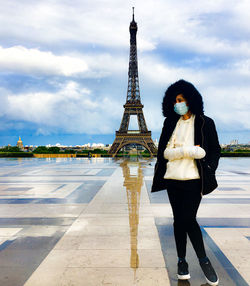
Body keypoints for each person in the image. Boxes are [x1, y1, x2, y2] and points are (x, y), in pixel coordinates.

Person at [151, 79, 221, 286]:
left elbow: (215, 150)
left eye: (180, 100)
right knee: (178, 220)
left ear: (190, 101)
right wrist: (188, 151)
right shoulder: (170, 123)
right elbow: (163, 152)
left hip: (193, 180)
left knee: (188, 219)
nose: (176, 104)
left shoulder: (205, 122)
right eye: (174, 101)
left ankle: (203, 260)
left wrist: (209, 168)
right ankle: (182, 261)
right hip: (173, 180)